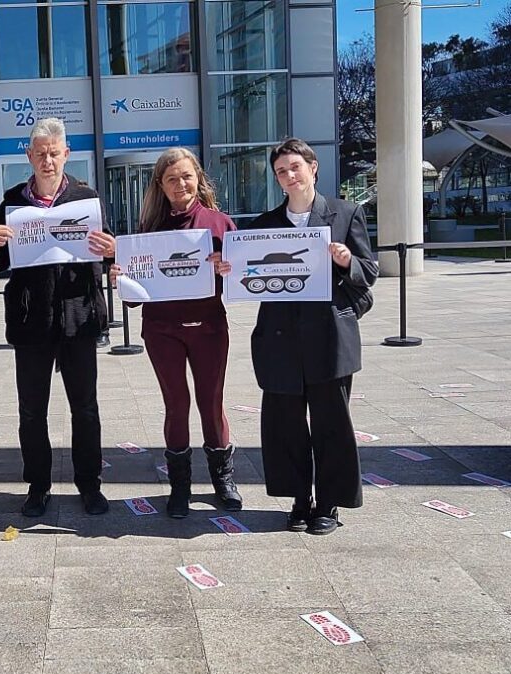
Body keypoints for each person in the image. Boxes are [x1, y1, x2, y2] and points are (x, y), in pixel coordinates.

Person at [221, 137, 378, 535]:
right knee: (285, 426)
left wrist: (347, 261)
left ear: (313, 168)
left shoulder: (345, 212)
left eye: (295, 167)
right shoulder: (264, 224)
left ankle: (328, 503)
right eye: (281, 172)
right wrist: (228, 270)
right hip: (279, 339)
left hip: (328, 337)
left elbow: (369, 270)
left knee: (331, 424)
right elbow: (245, 272)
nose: (289, 176)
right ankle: (299, 499)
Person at [0, 118, 116, 518]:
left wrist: (109, 249)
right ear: (28, 156)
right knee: (31, 411)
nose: (47, 160)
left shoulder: (85, 197)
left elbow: (104, 251)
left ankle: (89, 485)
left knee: (86, 408)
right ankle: (38, 486)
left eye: (53, 153)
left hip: (78, 318)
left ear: (66, 154)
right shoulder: (12, 201)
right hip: (31, 321)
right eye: (39, 153)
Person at [110, 147, 242, 518]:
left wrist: (227, 270)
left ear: (198, 178)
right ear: (161, 185)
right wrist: (122, 281)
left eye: (186, 176)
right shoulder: (148, 232)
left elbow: (241, 283)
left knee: (211, 404)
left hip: (209, 328)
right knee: (176, 405)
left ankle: (223, 480)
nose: (180, 184)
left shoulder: (219, 223)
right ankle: (180, 486)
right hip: (162, 330)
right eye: (172, 178)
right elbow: (135, 300)